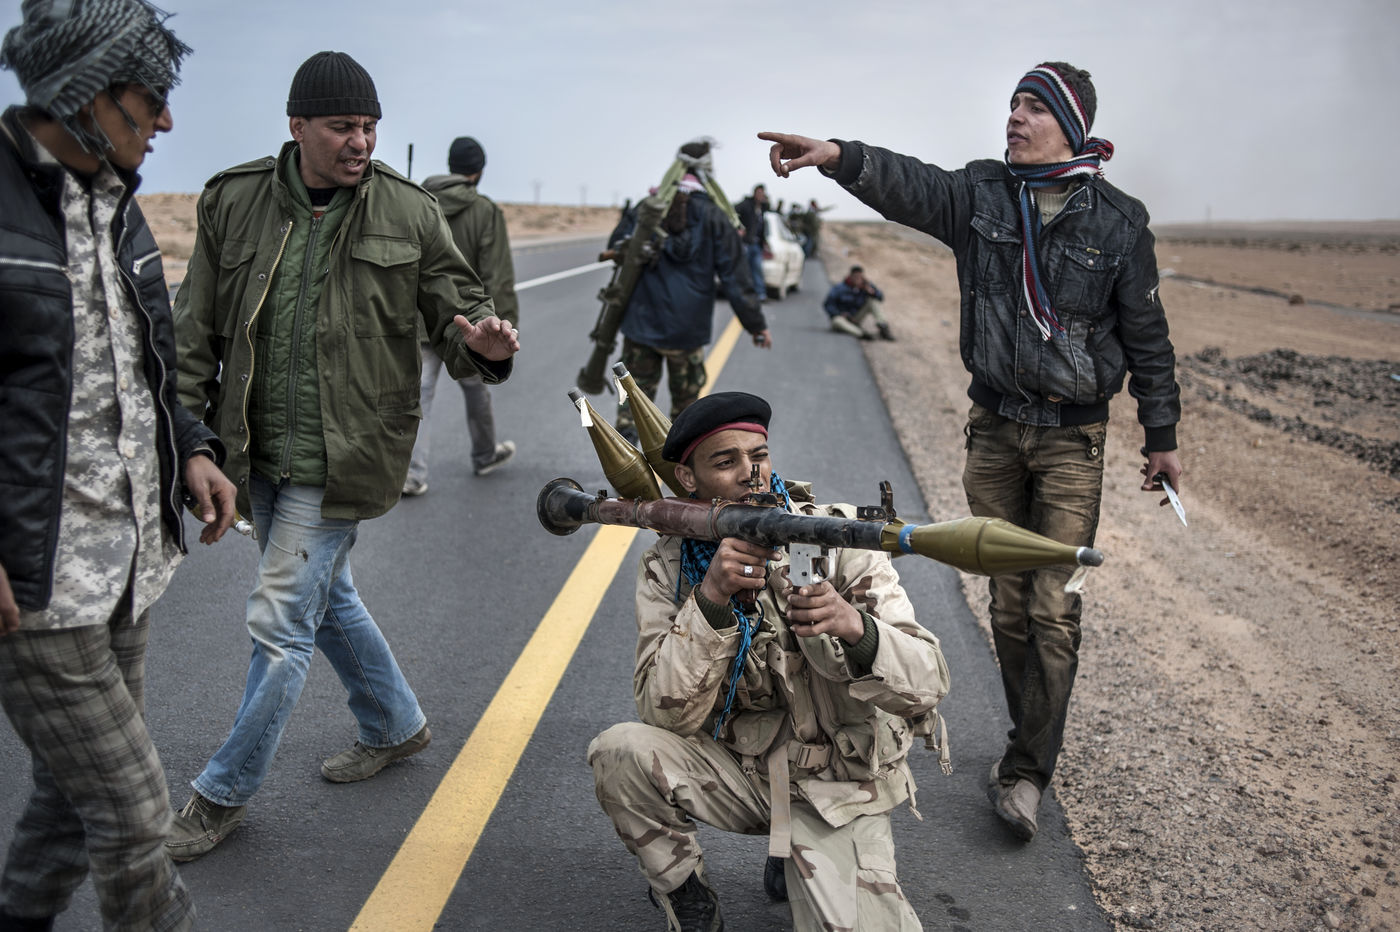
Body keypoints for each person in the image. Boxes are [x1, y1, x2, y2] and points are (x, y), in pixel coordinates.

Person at [760, 60, 1184, 843]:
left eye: (1034, 107)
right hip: (993, 432)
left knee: (1052, 608)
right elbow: (911, 185)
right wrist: (838, 157)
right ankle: (1029, 739)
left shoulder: (1119, 222)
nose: (1015, 116)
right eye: (1013, 103)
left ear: (1070, 125)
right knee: (1010, 605)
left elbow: (1148, 339)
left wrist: (1162, 437)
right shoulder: (984, 194)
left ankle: (1027, 773)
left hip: (1071, 441)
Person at [168, 50, 519, 862]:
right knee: (328, 599)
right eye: (342, 127)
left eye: (369, 127)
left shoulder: (410, 211)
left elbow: (461, 312)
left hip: (345, 453)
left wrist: (484, 345)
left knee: (280, 622)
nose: (360, 142)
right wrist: (192, 439)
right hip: (254, 448)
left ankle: (220, 793)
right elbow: (194, 331)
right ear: (297, 126)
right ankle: (394, 722)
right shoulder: (232, 200)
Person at [0, 3, 238, 928]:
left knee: (72, 804)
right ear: (85, 94)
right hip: (37, 585)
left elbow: (140, 369)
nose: (167, 120)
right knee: (137, 817)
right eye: (151, 98)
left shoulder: (114, 203)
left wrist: (192, 447)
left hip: (127, 563)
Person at [588, 391, 950, 932]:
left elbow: (929, 682)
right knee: (619, 752)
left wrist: (853, 626)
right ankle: (684, 891)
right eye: (725, 461)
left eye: (758, 455)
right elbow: (663, 713)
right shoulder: (670, 566)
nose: (750, 474)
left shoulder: (837, 537)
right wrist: (711, 599)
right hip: (745, 771)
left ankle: (796, 852)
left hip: (838, 784)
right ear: (687, 478)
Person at [610, 155, 772, 444]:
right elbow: (735, 276)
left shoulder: (648, 206)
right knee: (685, 412)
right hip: (687, 330)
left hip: (641, 324)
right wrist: (756, 324)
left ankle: (623, 454)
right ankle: (678, 463)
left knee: (631, 403)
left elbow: (616, 247)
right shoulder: (715, 215)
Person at [403, 135, 518, 495]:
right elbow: (497, 275)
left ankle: (412, 474)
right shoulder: (484, 210)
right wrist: (504, 327)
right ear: (478, 172)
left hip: (421, 321)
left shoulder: (419, 201)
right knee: (476, 390)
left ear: (451, 166)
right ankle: (484, 455)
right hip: (469, 324)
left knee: (419, 397)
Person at [823, 265, 894, 341]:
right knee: (836, 321)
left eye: (860, 277)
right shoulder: (840, 288)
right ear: (850, 276)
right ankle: (861, 334)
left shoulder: (866, 286)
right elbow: (828, 304)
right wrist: (839, 313)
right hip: (842, 318)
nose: (857, 279)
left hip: (855, 317)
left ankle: (883, 327)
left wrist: (872, 292)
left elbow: (880, 298)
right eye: (855, 276)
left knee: (873, 301)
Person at [734, 183, 769, 301]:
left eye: (762, 193)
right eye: (758, 193)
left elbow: (761, 226)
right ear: (754, 194)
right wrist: (739, 228)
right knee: (744, 270)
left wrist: (764, 241)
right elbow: (733, 212)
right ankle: (742, 294)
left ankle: (760, 294)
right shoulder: (746, 205)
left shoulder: (762, 208)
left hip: (757, 244)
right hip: (746, 243)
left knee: (757, 270)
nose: (760, 195)